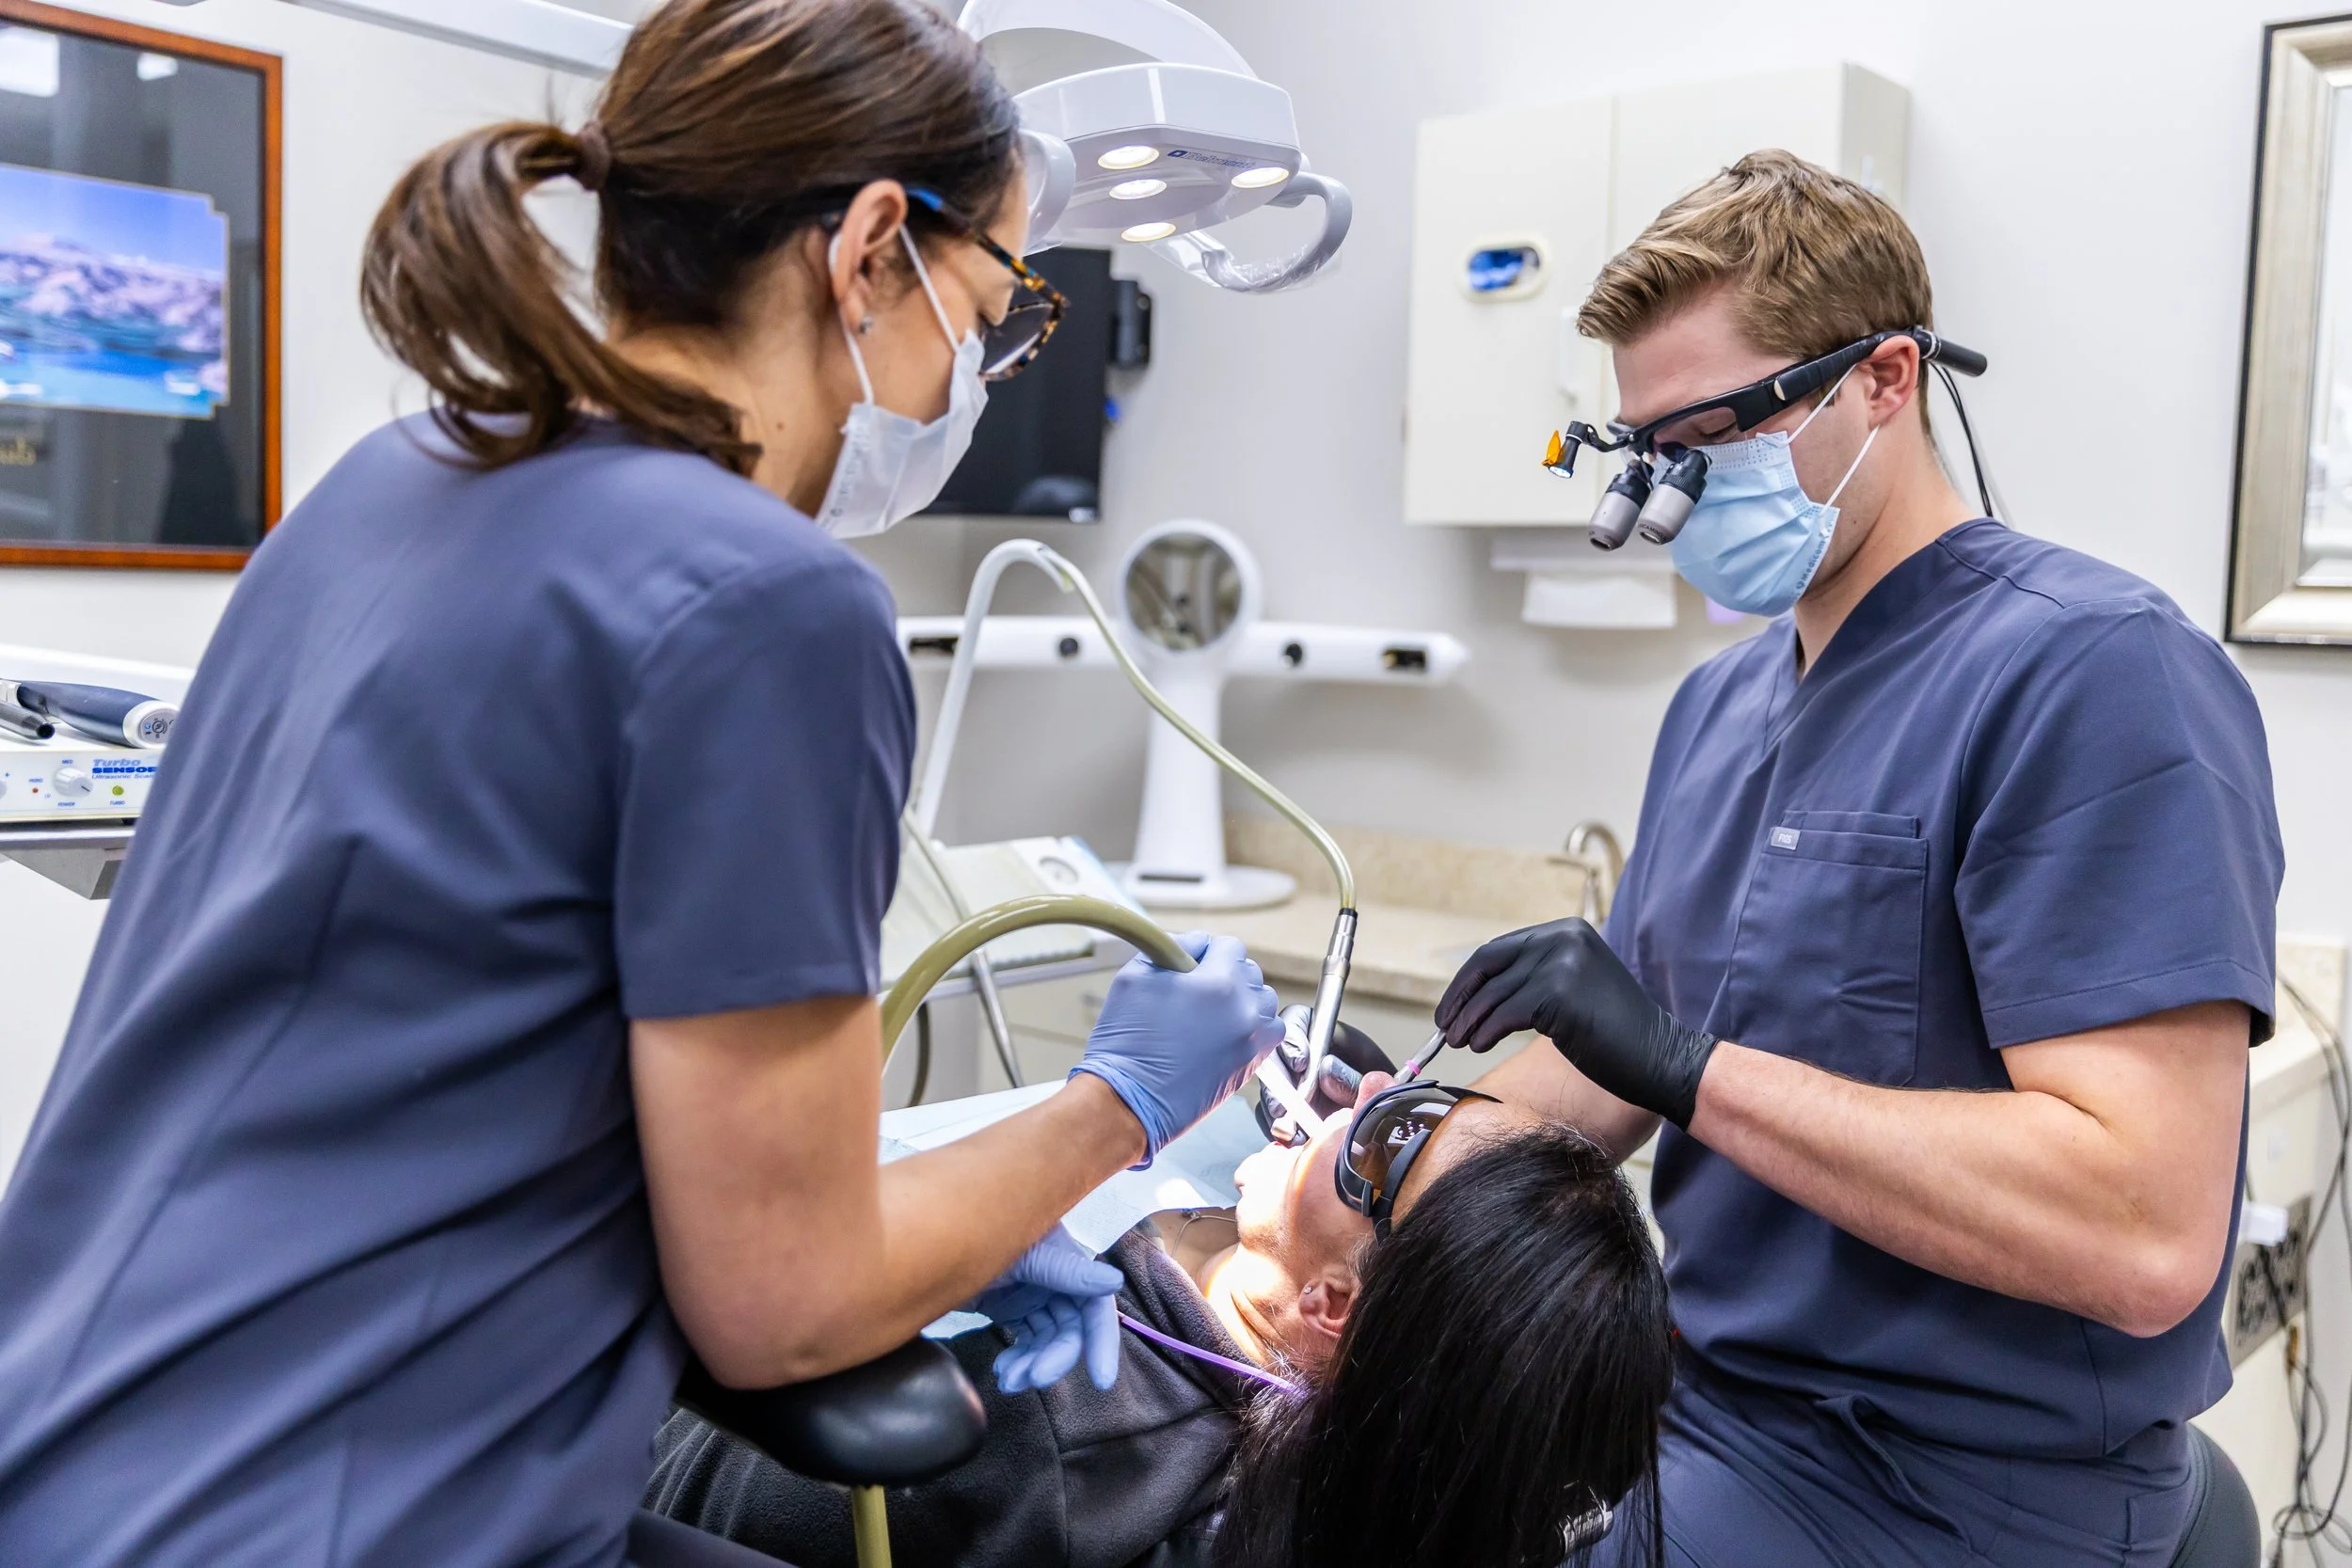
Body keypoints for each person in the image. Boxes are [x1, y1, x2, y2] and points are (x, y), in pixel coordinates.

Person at [0, 4, 1284, 1565]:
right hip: (338, 1509)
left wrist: (966, 1216)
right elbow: (791, 1307)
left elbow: (484, 1069)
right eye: (1002, 301)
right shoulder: (769, 603)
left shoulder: (402, 477)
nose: (995, 367)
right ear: (874, 247)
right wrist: (1117, 1112)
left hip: (78, 1443)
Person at [1438, 150, 2284, 1567]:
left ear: (1884, 379)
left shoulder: (2095, 673)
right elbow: (1616, 1048)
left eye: (1711, 435)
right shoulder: (1718, 704)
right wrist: (1386, 1139)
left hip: (1966, 1482)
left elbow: (2141, 1231)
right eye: (1647, 449)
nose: (1673, 489)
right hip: (1703, 1396)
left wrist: (1688, 1066)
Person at [646, 1073, 1675, 1568]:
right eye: (1433, 1091)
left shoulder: (1061, 1431)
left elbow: (675, 1483)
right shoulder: (1376, 1472)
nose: (1370, 1084)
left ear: (1329, 1304)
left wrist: (910, 1245)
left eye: (1392, 1131)